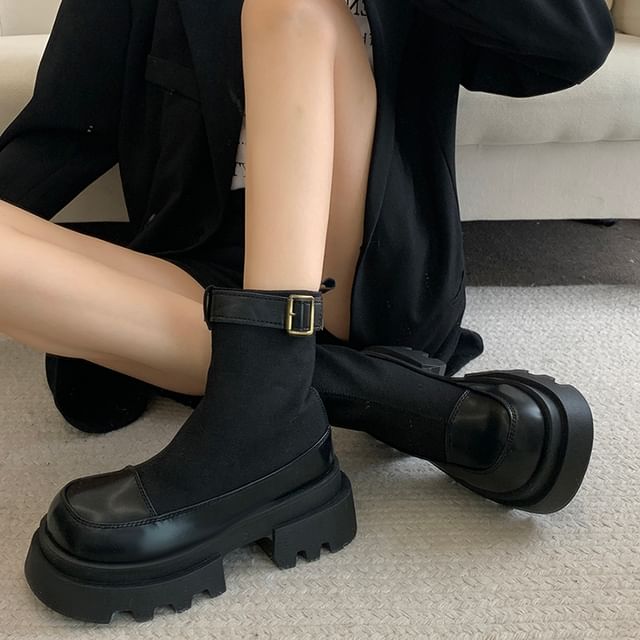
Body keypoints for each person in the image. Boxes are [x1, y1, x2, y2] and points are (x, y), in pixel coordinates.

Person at [0, 0, 615, 623]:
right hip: (205, 269)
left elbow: (573, 42)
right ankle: (372, 400)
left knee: (290, 9)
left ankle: (262, 393)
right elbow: (60, 133)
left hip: (366, 276)